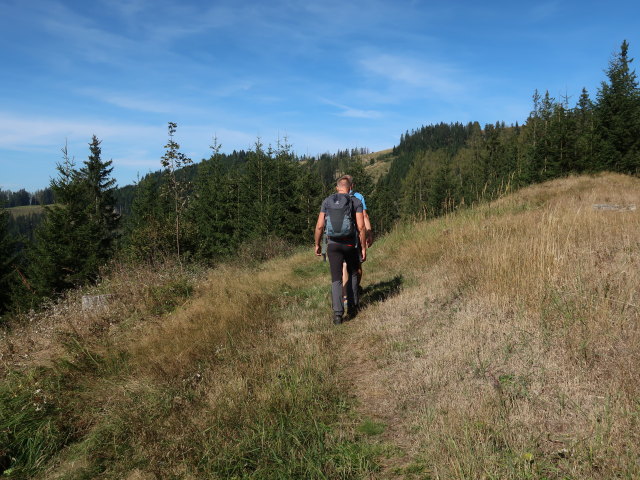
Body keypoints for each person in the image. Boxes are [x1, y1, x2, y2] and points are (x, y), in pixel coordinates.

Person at [314, 176, 366, 325]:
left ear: (337, 188)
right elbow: (361, 227)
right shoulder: (356, 201)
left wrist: (317, 244)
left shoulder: (327, 201)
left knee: (336, 278)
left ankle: (337, 314)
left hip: (333, 245)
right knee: (353, 273)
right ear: (350, 188)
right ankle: (353, 306)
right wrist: (363, 247)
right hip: (350, 244)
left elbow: (319, 226)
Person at [341, 175, 373, 297]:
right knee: (357, 266)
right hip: (355, 235)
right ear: (352, 185)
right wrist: (369, 233)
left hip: (337, 237)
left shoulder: (334, 198)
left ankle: (344, 295)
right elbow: (365, 217)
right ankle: (353, 291)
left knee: (344, 265)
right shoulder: (358, 197)